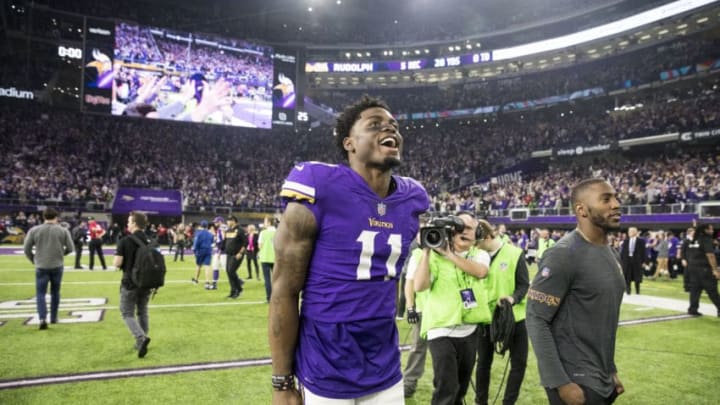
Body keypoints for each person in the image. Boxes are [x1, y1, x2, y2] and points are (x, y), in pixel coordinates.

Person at [268, 95, 430, 404]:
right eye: (375, 125)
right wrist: (281, 382)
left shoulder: (413, 198)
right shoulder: (319, 185)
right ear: (349, 143)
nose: (390, 129)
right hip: (325, 361)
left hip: (384, 361)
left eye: (394, 125)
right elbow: (284, 291)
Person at [527, 178, 626, 405]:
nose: (616, 204)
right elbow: (536, 319)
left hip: (601, 377)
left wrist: (610, 369)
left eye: (616, 197)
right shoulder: (563, 254)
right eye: (606, 199)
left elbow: (603, 321)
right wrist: (560, 382)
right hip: (575, 380)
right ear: (581, 209)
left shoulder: (611, 254)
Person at [414, 212, 491, 405]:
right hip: (440, 329)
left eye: (468, 228)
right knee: (446, 387)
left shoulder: (479, 255)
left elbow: (480, 272)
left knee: (460, 388)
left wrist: (450, 254)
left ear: (478, 232)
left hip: (469, 330)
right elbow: (420, 286)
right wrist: (426, 251)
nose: (463, 232)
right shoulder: (433, 257)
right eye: (459, 227)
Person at [474, 219, 530, 405]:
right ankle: (480, 401)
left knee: (518, 363)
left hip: (514, 318)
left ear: (489, 236)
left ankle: (509, 402)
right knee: (483, 363)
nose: (477, 248)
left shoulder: (515, 254)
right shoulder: (476, 256)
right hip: (485, 318)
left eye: (479, 243)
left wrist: (512, 298)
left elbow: (523, 285)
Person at [23, 208, 74, 330]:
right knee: (55, 292)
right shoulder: (63, 230)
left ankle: (42, 318)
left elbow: (26, 248)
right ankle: (53, 317)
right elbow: (71, 248)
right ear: (56, 217)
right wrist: (61, 254)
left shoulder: (34, 230)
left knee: (40, 293)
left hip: (41, 266)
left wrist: (34, 259)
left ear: (43, 217)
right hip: (57, 265)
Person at [113, 212, 153, 358]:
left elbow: (117, 263)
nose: (128, 224)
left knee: (126, 312)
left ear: (135, 224)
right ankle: (142, 339)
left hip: (130, 282)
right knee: (142, 311)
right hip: (147, 282)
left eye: (129, 221)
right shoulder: (150, 240)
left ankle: (141, 338)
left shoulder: (125, 241)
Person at [402, 239, 428, 399]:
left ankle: (447, 383)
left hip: (446, 312)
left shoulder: (453, 252)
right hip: (423, 310)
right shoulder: (417, 254)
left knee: (448, 353)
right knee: (418, 347)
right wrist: (411, 307)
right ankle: (409, 383)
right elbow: (409, 283)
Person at [683, 223, 720, 316]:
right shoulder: (706, 239)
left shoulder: (693, 239)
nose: (712, 231)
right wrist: (715, 270)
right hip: (704, 269)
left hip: (692, 268)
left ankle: (693, 309)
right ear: (705, 230)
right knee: (712, 290)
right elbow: (710, 255)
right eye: (710, 229)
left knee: (695, 290)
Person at [224, 216, 246, 299]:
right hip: (229, 254)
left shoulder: (240, 230)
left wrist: (240, 253)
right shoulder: (228, 230)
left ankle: (239, 289)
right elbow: (226, 242)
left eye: (228, 221)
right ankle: (233, 291)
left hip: (237, 254)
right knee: (229, 272)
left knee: (231, 271)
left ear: (233, 221)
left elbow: (245, 243)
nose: (227, 222)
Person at [620, 226, 646, 294]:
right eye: (629, 231)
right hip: (627, 260)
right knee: (627, 276)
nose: (629, 233)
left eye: (630, 231)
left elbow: (644, 252)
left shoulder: (641, 241)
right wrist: (621, 261)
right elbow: (623, 252)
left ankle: (637, 291)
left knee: (637, 276)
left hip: (637, 261)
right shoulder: (626, 241)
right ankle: (628, 291)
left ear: (635, 232)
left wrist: (644, 261)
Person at [257, 216, 277, 303]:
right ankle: (277, 297)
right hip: (276, 258)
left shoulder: (263, 232)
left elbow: (260, 245)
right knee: (276, 280)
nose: (264, 223)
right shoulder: (278, 232)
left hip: (265, 258)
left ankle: (269, 298)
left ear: (269, 223)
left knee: (267, 279)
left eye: (265, 221)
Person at [192, 221, 214, 288]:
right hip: (208, 250)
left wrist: (194, 251)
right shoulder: (210, 234)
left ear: (201, 226)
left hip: (200, 251)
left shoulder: (198, 233)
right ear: (207, 226)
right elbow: (212, 242)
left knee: (198, 265)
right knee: (207, 266)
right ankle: (207, 282)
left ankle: (196, 280)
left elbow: (196, 243)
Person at [210, 216, 227, 291]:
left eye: (216, 222)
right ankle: (214, 284)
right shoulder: (220, 228)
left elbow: (224, 240)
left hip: (222, 251)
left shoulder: (223, 227)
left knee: (226, 268)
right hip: (219, 250)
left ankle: (238, 281)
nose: (215, 223)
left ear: (220, 221)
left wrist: (220, 250)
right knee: (215, 266)